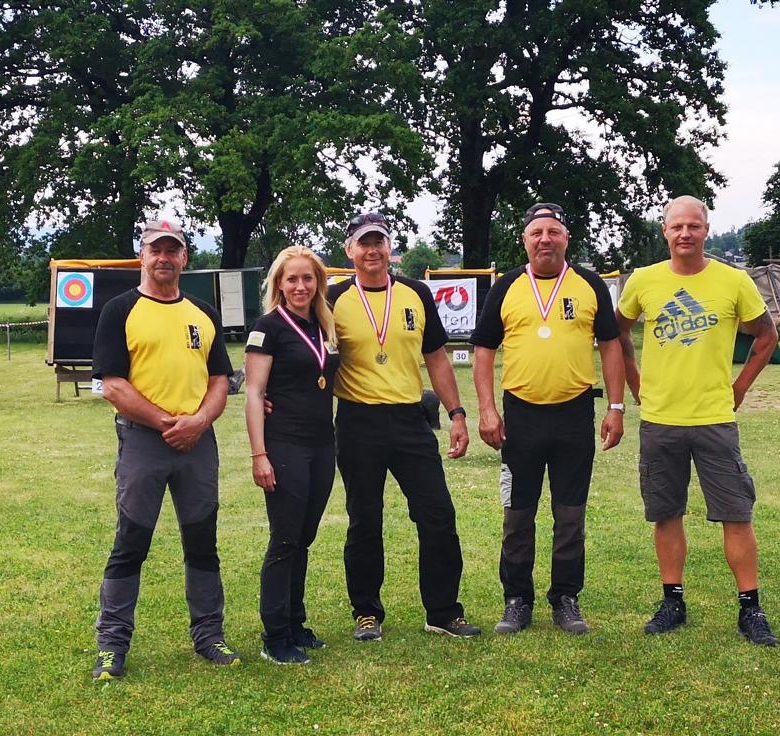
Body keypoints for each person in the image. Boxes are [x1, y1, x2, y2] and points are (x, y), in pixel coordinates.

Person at [615, 195, 780, 646]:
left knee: (736, 513)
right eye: (677, 226)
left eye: (694, 226)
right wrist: (634, 382)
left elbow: (766, 335)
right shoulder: (644, 281)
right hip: (660, 418)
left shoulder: (734, 280)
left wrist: (740, 386)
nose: (685, 233)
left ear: (706, 229)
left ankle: (750, 608)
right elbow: (618, 334)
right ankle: (673, 601)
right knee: (666, 514)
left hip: (713, 418)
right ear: (664, 231)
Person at [90, 218, 239, 680]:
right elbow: (112, 385)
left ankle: (208, 635)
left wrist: (198, 421)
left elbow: (220, 380)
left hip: (198, 442)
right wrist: (165, 423)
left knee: (202, 541)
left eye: (173, 250)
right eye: (156, 250)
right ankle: (112, 646)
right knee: (131, 541)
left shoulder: (201, 312)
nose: (164, 258)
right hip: (143, 441)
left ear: (184, 258)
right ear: (143, 255)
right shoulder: (120, 310)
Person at [470, 202, 625, 636]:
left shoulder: (589, 284)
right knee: (517, 513)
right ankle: (517, 599)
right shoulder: (505, 287)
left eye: (553, 232)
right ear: (525, 239)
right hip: (520, 416)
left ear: (566, 238)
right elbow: (483, 350)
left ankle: (566, 598)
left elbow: (611, 346)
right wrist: (486, 409)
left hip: (574, 414)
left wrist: (615, 406)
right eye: (537, 232)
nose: (545, 239)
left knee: (570, 513)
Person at [328, 211, 480, 641]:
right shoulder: (333, 298)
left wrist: (456, 413)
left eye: (379, 241)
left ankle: (443, 611)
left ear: (389, 247)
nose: (372, 249)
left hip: (411, 418)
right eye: (364, 242)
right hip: (358, 420)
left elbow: (436, 357)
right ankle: (367, 612)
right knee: (364, 519)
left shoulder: (415, 293)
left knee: (437, 515)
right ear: (350, 250)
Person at [244, 246, 340, 664]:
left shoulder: (324, 326)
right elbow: (253, 393)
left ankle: (296, 622)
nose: (300, 286)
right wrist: (259, 454)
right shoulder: (268, 327)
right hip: (284, 444)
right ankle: (275, 635)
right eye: (291, 279)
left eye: (307, 278)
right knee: (284, 539)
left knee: (304, 537)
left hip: (322, 445)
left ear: (318, 282)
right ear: (279, 285)